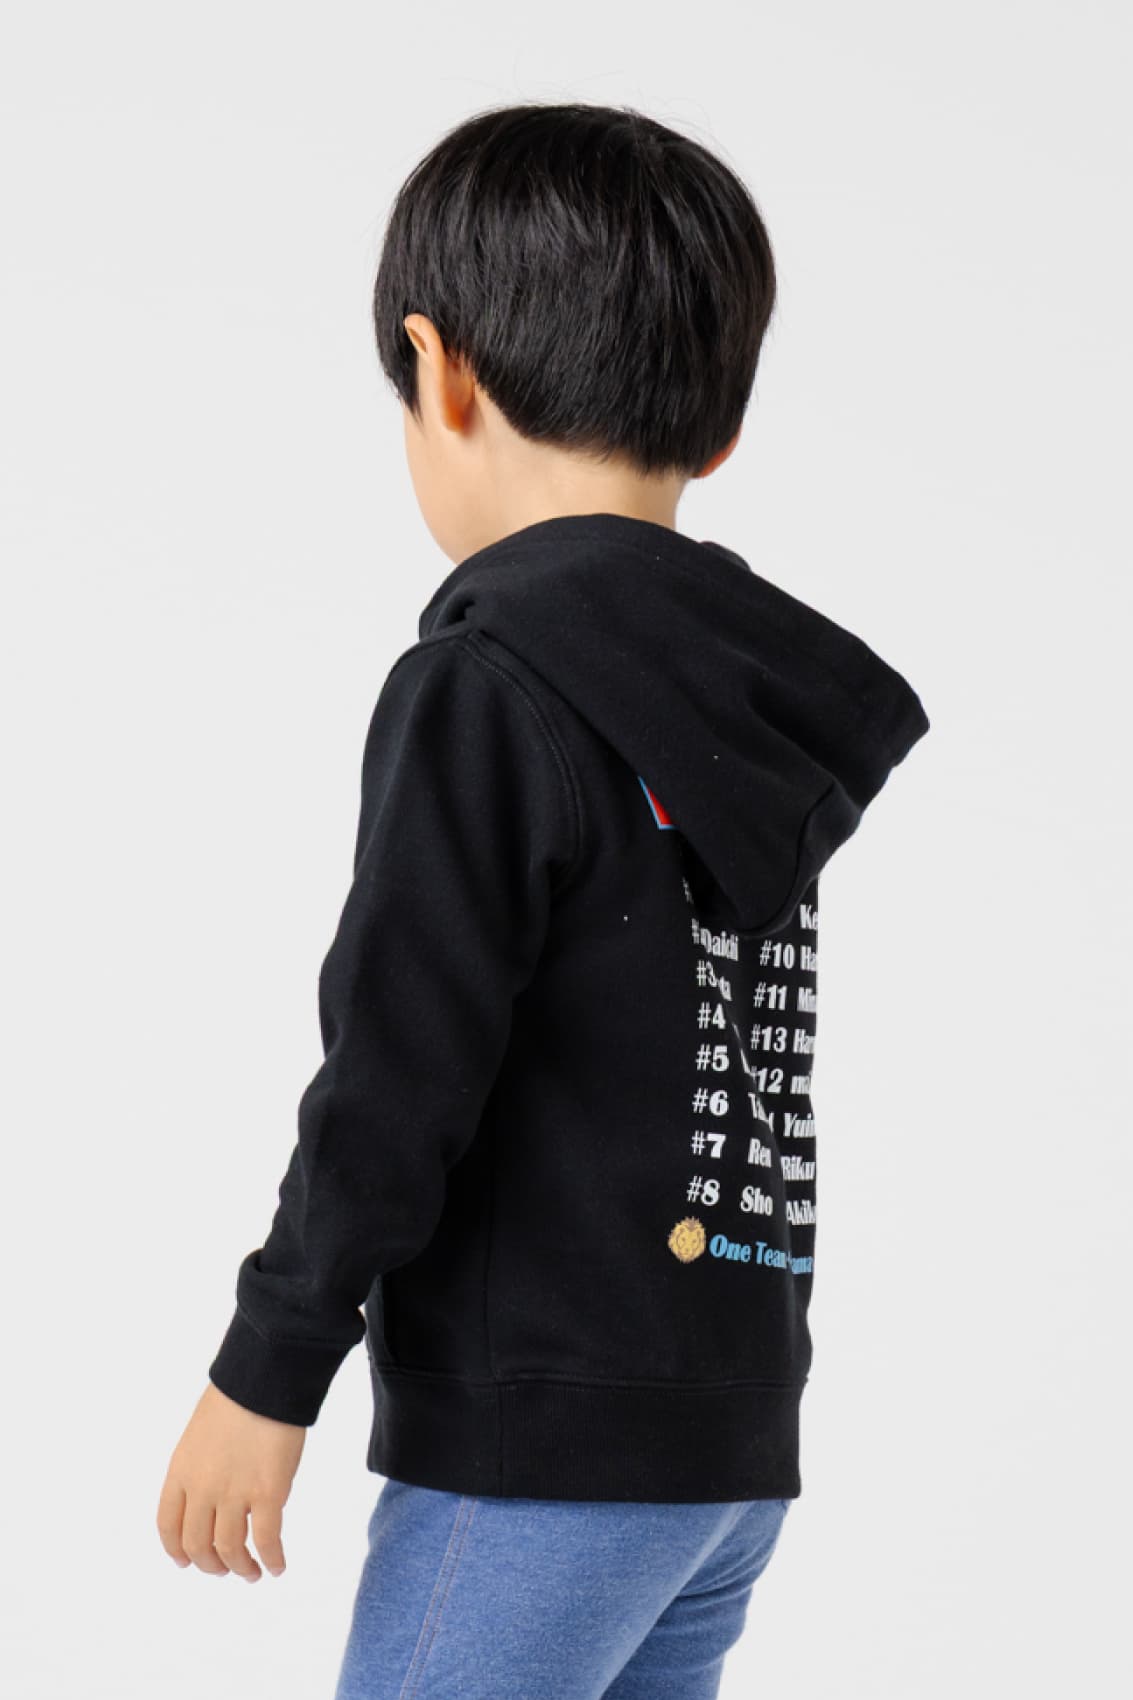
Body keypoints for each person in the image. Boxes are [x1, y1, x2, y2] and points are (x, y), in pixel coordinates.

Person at [156, 100, 930, 1698]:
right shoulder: (737, 705)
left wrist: (267, 1366)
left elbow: (398, 1069)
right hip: (721, 1451)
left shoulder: (490, 683)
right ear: (717, 428)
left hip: (538, 1458)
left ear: (438, 373)